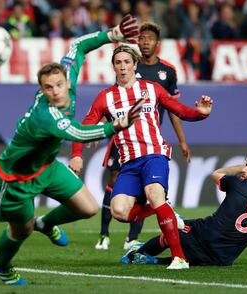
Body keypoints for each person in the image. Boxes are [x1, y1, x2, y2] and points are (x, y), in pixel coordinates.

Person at [0, 15, 142, 285]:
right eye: (48, 88)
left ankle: (46, 224)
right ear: (42, 90)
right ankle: (1, 266)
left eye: (59, 85)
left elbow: (77, 46)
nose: (56, 91)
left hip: (46, 166)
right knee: (21, 230)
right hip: (16, 179)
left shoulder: (67, 75)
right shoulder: (46, 116)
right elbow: (79, 133)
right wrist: (118, 124)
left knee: (89, 208)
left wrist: (113, 34)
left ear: (67, 81)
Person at [70, 44, 213, 270]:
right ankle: (167, 211)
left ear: (135, 65)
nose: (123, 66)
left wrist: (200, 114)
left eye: (127, 62)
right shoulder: (105, 98)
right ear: (113, 67)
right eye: (118, 63)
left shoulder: (152, 89)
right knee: (119, 211)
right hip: (128, 163)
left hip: (154, 154)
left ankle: (179, 258)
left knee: (154, 193)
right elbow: (82, 128)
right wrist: (77, 154)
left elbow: (179, 110)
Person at [121, 154, 247, 268]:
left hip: (202, 237)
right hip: (221, 260)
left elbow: (215, 174)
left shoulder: (240, 183)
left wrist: (238, 169)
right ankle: (155, 260)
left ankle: (137, 254)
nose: (246, 169)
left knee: (171, 228)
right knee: (187, 241)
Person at [93, 22, 192, 251]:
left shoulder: (167, 72)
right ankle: (104, 234)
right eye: (142, 38)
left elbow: (174, 108)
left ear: (157, 43)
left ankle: (132, 237)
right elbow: (112, 105)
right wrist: (98, 128)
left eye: (150, 38)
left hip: (148, 141)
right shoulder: (127, 67)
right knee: (114, 181)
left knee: (150, 190)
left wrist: (183, 140)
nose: (145, 42)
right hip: (124, 141)